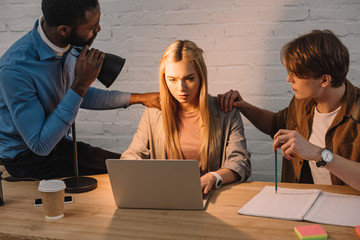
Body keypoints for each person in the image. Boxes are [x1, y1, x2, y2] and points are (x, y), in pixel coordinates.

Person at [0, 0, 160, 180]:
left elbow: (78, 95)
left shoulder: (69, 45)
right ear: (64, 29)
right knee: (130, 170)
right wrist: (80, 84)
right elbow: (40, 145)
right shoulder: (15, 71)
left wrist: (139, 98)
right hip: (27, 159)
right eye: (92, 27)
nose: (98, 29)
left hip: (59, 143)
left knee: (129, 164)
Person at [218, 30, 360, 191]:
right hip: (302, 202)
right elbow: (278, 124)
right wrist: (243, 106)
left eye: (296, 75)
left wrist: (319, 153)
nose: (288, 79)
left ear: (324, 80)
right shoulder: (303, 101)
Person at [121, 40, 251, 194]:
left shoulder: (226, 112)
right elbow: (132, 155)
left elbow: (240, 162)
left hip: (209, 196)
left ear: (201, 77)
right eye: (172, 80)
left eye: (189, 79)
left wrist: (213, 177)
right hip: (164, 195)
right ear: (164, 79)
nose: (181, 88)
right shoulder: (153, 113)